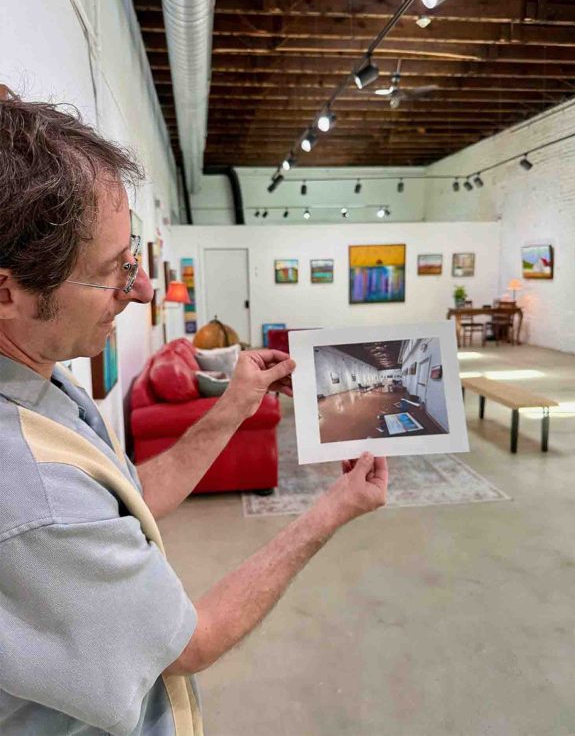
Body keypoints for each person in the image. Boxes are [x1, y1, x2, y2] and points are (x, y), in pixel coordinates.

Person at [0, 96, 389, 735]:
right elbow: (191, 642)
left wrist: (236, 405)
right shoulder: (35, 492)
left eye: (134, 259)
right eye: (113, 271)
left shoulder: (38, 379)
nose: (145, 288)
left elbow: (136, 495)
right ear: (7, 290)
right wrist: (334, 508)